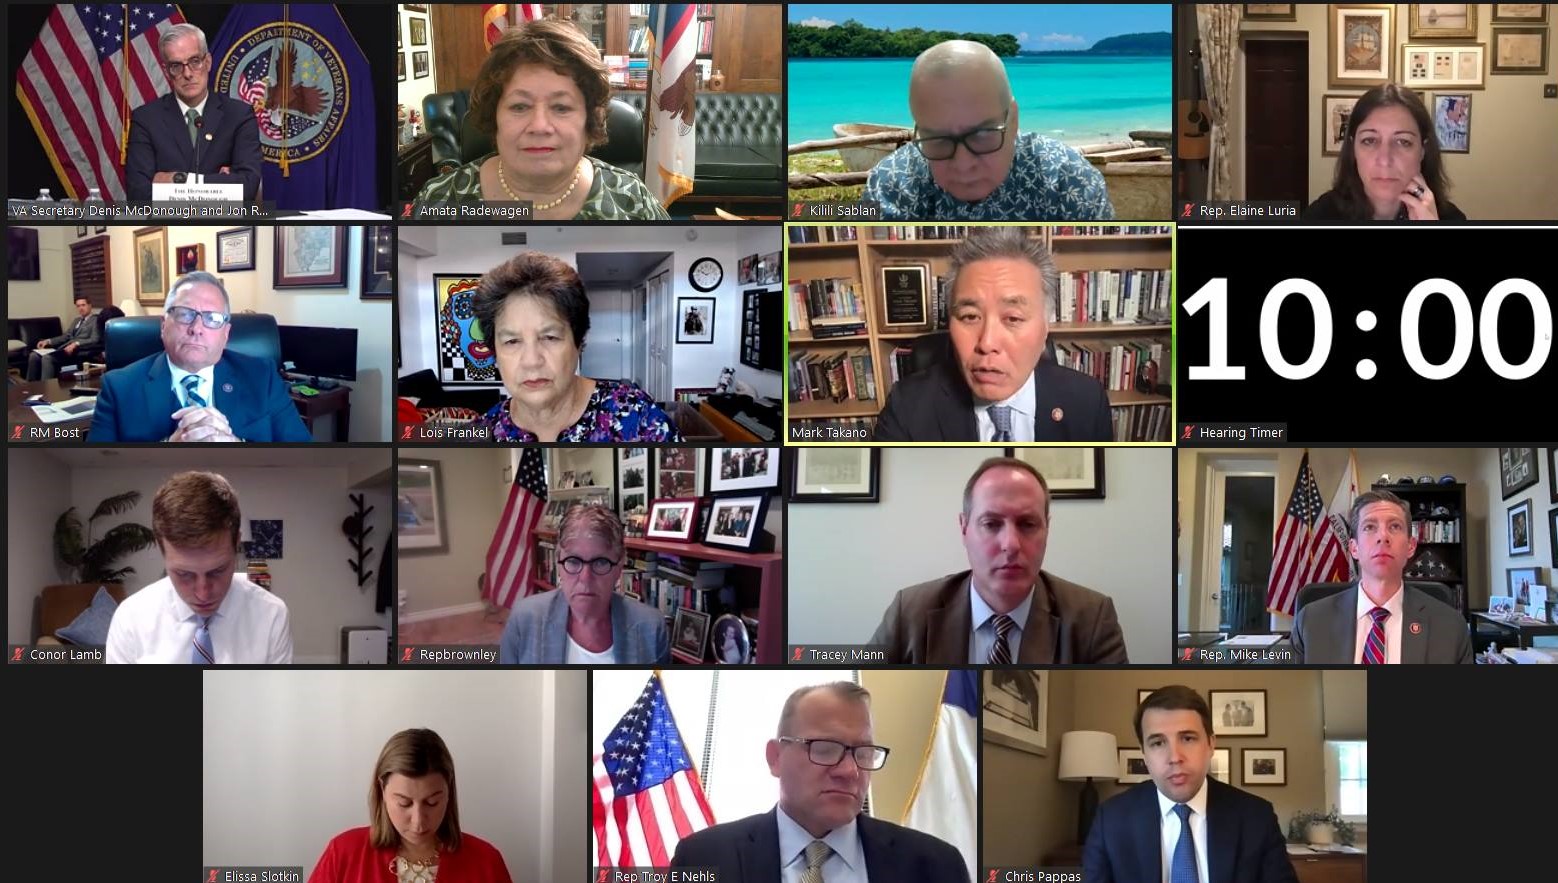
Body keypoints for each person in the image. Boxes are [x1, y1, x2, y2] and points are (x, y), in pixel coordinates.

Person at [670, 682, 969, 882]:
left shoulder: (937, 866)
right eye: (825, 749)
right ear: (775, 757)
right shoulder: (702, 857)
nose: (850, 771)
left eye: (863, 753)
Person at [869, 457, 1129, 664]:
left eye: (1027, 524)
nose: (1011, 545)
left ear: (1047, 530)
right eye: (991, 524)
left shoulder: (1093, 619)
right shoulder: (909, 612)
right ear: (964, 528)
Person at [873, 227, 1113, 442]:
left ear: (1045, 328)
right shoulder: (906, 407)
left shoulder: (1088, 400)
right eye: (970, 317)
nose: (987, 343)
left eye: (1013, 318)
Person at [416, 19, 668, 219]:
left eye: (561, 107)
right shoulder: (440, 201)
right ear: (494, 116)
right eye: (519, 106)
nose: (539, 126)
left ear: (589, 119)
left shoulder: (632, 200)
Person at [862, 40, 1114, 222]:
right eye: (938, 140)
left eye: (982, 136)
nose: (963, 165)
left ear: (1013, 121)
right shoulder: (891, 183)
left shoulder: (1068, 181)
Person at [1084, 686, 1298, 883]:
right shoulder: (1110, 820)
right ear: (1144, 754)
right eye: (1158, 743)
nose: (1174, 757)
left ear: (1211, 744)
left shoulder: (1257, 817)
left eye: (1187, 738)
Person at [471, 252, 682, 442]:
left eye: (550, 337)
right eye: (512, 341)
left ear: (579, 343)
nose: (532, 361)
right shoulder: (480, 432)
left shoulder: (637, 416)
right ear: (495, 352)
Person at [87, 272, 311, 442]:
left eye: (212, 318)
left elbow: (303, 458)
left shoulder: (262, 377)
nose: (196, 328)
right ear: (163, 326)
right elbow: (96, 472)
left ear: (226, 334)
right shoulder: (118, 388)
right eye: (185, 314)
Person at [105, 471, 292, 664]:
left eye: (218, 571)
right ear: (161, 550)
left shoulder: (271, 615)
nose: (203, 594)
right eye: (184, 574)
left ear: (237, 543)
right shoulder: (130, 620)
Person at [1291, 490, 1473, 664]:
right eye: (1369, 527)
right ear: (1354, 548)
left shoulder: (1451, 627)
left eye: (1394, 526)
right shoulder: (1310, 622)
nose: (1383, 536)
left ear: (1410, 546)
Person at [309, 728, 512, 883]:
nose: (418, 822)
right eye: (404, 803)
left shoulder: (486, 862)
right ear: (382, 790)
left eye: (432, 802)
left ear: (449, 791)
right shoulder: (343, 854)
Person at [499, 503, 668, 663]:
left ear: (619, 566)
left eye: (600, 562)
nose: (586, 578)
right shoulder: (524, 619)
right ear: (558, 563)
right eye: (573, 561)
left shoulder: (652, 628)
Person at [126, 24, 261, 202]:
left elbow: (247, 187)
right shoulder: (146, 119)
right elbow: (139, 196)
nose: (188, 73)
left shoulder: (239, 115)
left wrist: (180, 180)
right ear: (166, 71)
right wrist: (220, 184)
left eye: (195, 61)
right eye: (176, 66)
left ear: (208, 62)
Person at [1302, 83, 1466, 221]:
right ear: (1353, 150)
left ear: (1422, 151)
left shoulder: (1450, 219)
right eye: (1369, 140)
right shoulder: (1319, 216)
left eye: (1403, 142)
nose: (1385, 160)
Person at [26, 296, 99, 380]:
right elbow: (66, 336)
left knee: (47, 358)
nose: (81, 308)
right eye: (78, 306)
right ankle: (29, 385)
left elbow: (95, 339)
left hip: (78, 352)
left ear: (90, 305)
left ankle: (47, 386)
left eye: (83, 305)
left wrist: (76, 344)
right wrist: (48, 341)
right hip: (64, 349)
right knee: (34, 356)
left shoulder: (96, 320)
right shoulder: (77, 320)